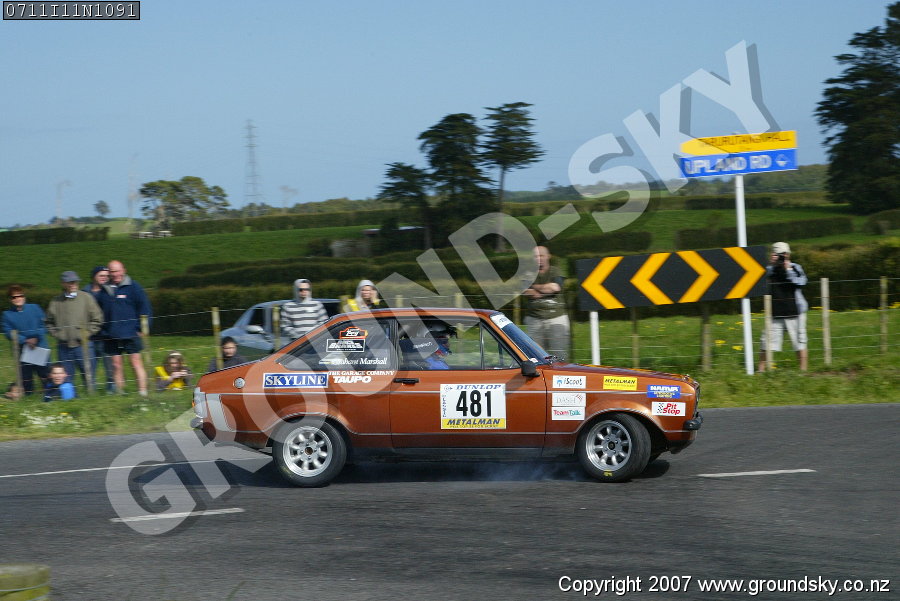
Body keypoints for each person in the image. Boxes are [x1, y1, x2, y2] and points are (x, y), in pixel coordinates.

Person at [98, 260, 153, 397]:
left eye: (117, 271)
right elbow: (98, 312)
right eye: (112, 272)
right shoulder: (104, 290)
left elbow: (145, 309)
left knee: (135, 362)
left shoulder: (134, 287)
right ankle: (120, 393)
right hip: (111, 334)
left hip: (131, 333)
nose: (115, 274)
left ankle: (142, 392)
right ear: (109, 273)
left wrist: (142, 328)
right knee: (116, 365)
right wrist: (103, 330)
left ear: (123, 270)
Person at [45, 270, 103, 391]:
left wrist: (87, 333)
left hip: (84, 346)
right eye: (70, 282)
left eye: (75, 282)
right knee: (66, 379)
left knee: (89, 377)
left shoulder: (86, 298)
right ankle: (69, 399)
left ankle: (92, 399)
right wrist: (57, 334)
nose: (73, 284)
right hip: (64, 347)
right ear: (63, 283)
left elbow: (98, 319)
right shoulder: (55, 301)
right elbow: (48, 322)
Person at [758, 241, 809, 372]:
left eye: (784, 254)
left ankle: (803, 371)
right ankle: (760, 370)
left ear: (788, 254)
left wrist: (788, 270)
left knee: (800, 342)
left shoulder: (795, 267)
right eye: (779, 254)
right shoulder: (770, 269)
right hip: (775, 312)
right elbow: (759, 280)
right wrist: (771, 265)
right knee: (766, 341)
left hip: (795, 312)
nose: (782, 257)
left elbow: (802, 282)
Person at [522, 246, 570, 361]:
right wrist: (546, 289)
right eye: (536, 256)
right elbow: (525, 291)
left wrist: (534, 286)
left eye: (541, 255)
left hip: (556, 318)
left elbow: (555, 288)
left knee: (559, 355)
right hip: (534, 320)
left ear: (548, 256)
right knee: (536, 356)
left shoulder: (555, 271)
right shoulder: (528, 273)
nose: (539, 259)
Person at [2, 285, 50, 396]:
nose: (18, 298)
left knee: (45, 375)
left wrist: (36, 337)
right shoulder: (7, 315)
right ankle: (28, 398)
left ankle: (50, 395)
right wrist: (25, 340)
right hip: (22, 350)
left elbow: (44, 325)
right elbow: (8, 332)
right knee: (27, 379)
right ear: (10, 299)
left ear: (24, 297)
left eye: (21, 296)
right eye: (14, 297)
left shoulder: (35, 308)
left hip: (39, 346)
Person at [83, 265, 115, 393]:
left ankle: (111, 389)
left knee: (110, 365)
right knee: (90, 364)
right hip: (90, 335)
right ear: (93, 277)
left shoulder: (111, 291)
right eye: (101, 275)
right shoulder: (84, 293)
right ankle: (91, 390)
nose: (104, 278)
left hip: (107, 335)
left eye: (107, 276)